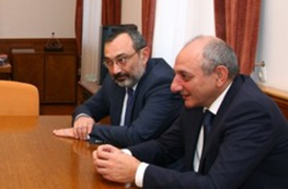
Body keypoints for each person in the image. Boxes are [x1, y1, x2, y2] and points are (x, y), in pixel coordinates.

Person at [93, 36, 288, 188]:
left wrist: (137, 172)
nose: (174, 86)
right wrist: (120, 155)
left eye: (184, 76)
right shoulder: (198, 100)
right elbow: (165, 147)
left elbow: (216, 185)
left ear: (219, 76)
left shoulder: (252, 112)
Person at [53, 28, 182, 147]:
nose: (115, 70)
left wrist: (89, 130)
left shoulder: (163, 83)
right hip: (118, 159)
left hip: (152, 167)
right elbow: (87, 107)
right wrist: (83, 118)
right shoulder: (115, 79)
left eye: (122, 59)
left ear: (144, 55)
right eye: (109, 62)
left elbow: (137, 136)